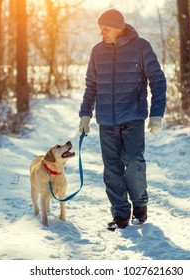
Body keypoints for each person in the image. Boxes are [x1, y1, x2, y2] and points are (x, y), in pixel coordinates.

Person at [78, 8, 166, 230]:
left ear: (118, 27)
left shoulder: (141, 47)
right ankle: (120, 214)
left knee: (134, 161)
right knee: (112, 168)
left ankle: (139, 205)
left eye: (106, 29)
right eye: (100, 29)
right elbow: (91, 86)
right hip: (106, 121)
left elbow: (157, 79)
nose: (102, 33)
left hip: (133, 117)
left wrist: (157, 114)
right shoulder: (97, 51)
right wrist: (85, 114)